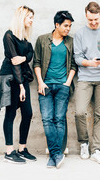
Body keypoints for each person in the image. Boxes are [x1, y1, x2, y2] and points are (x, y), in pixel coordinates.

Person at [73, 2, 100, 164]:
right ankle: (84, 143)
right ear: (86, 15)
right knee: (79, 112)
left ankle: (96, 150)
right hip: (85, 77)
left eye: (96, 19)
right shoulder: (80, 34)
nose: (93, 23)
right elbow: (77, 58)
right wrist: (89, 63)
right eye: (91, 20)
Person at [33, 10, 77, 169]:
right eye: (66, 25)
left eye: (70, 26)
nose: (68, 29)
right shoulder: (42, 40)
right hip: (45, 85)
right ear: (56, 25)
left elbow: (73, 65)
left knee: (59, 119)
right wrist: (40, 82)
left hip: (62, 86)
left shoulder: (70, 42)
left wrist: (67, 83)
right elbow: (36, 62)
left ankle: (54, 156)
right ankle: (57, 154)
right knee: (47, 119)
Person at [0, 5, 36, 164]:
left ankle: (22, 149)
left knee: (27, 113)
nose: (32, 21)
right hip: (10, 79)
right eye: (30, 18)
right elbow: (14, 62)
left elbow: (30, 52)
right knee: (11, 113)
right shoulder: (9, 36)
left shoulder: (24, 39)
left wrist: (25, 58)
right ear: (22, 18)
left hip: (22, 78)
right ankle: (9, 152)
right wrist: (20, 86)